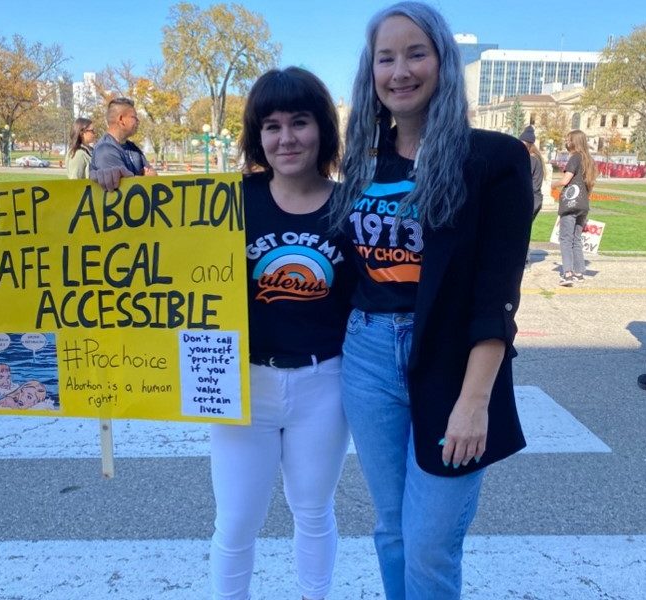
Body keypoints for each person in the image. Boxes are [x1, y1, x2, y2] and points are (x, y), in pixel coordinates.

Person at [332, 3, 532, 599]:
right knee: (392, 530)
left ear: (443, 61)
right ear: (370, 71)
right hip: (366, 354)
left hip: (451, 360)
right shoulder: (359, 162)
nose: (400, 70)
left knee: (429, 543)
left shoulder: (493, 160)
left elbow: (496, 295)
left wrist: (475, 403)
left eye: (415, 53)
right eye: (385, 57)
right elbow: (273, 185)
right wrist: (108, 159)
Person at [208, 66, 353, 600]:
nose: (286, 137)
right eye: (271, 125)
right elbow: (151, 229)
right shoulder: (228, 201)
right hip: (242, 384)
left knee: (313, 512)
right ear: (256, 136)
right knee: (236, 522)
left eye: (300, 121)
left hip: (325, 382)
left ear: (323, 130)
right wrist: (112, 174)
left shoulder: (351, 205)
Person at [551, 129, 597, 286]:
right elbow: (590, 184)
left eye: (568, 139)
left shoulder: (574, 158)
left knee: (565, 238)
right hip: (583, 204)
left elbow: (565, 180)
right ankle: (579, 272)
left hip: (571, 204)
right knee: (576, 239)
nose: (566, 142)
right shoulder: (588, 160)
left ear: (574, 142)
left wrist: (553, 184)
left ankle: (568, 273)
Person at [89, 97, 157, 189]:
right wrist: (146, 178)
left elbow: (153, 175)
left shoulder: (133, 147)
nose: (138, 121)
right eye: (134, 117)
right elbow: (125, 187)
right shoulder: (105, 150)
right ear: (121, 119)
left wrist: (149, 177)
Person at [519, 125, 545, 268]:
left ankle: (524, 259)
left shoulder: (531, 160)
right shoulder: (536, 159)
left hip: (531, 199)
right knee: (524, 230)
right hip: (535, 199)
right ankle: (524, 258)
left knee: (521, 231)